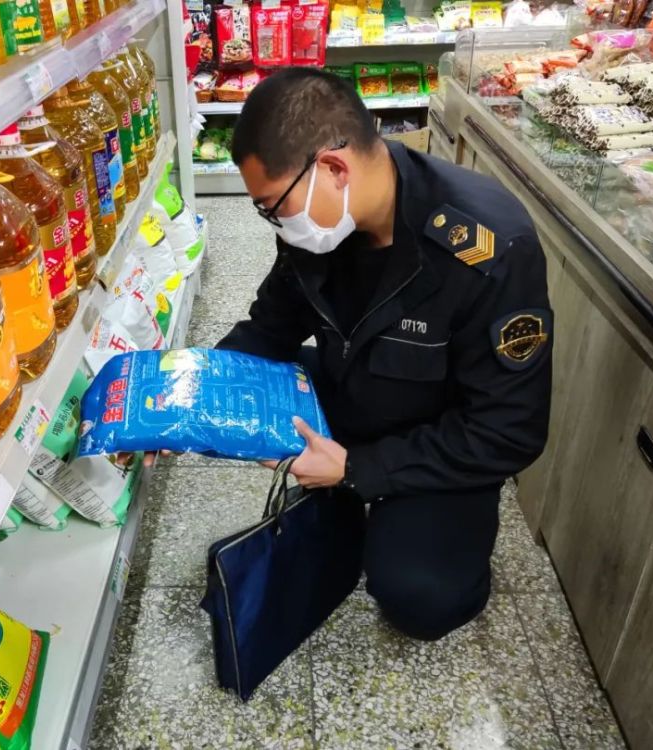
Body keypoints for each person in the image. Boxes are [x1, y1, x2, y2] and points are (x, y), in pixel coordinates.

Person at [215, 67, 553, 641]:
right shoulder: (317, 222)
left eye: (273, 206)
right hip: (351, 386)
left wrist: (359, 470)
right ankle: (344, 497)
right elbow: (271, 327)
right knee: (243, 394)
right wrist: (186, 395)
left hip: (438, 434)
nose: (274, 222)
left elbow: (507, 432)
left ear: (333, 168)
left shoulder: (488, 249)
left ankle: (389, 507)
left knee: (422, 598)